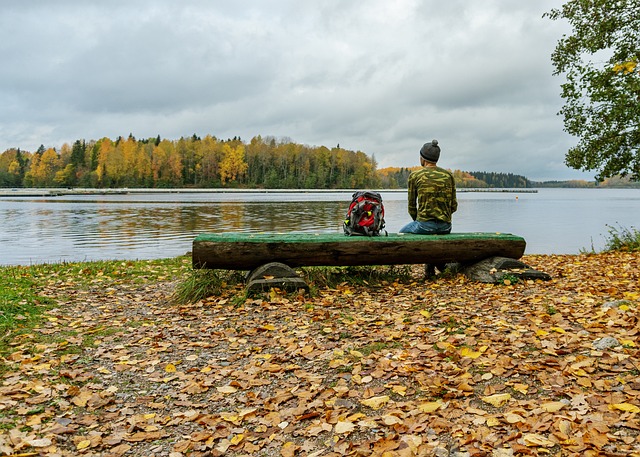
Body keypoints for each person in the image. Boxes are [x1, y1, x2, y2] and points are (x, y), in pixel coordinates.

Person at [399, 139, 457, 234]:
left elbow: (411, 207)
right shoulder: (448, 175)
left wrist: (419, 221)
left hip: (424, 226)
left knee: (401, 234)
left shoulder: (415, 176)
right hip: (446, 227)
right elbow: (454, 206)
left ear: (423, 158)